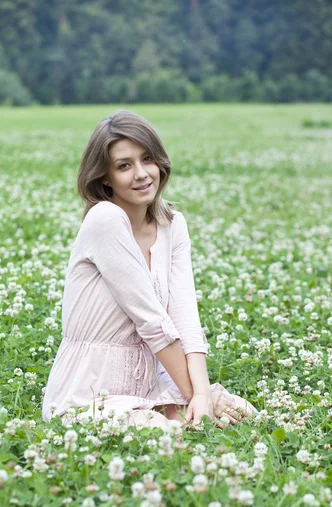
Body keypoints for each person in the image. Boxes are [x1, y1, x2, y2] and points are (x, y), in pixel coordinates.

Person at [42, 110, 258, 432]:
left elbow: (185, 315)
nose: (142, 174)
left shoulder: (173, 224)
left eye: (147, 159)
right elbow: (152, 321)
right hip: (90, 389)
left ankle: (175, 406)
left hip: (150, 380)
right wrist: (198, 398)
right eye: (124, 166)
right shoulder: (105, 219)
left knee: (241, 413)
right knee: (167, 433)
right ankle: (169, 412)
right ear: (105, 177)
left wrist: (201, 393)